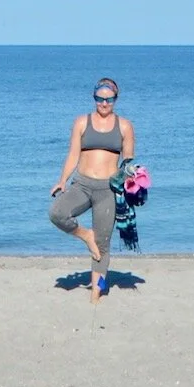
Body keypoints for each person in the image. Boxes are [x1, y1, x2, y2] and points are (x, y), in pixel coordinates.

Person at [50, 77, 137, 302]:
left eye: (109, 99)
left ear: (115, 99)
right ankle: (85, 235)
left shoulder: (125, 126)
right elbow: (73, 154)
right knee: (57, 213)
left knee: (103, 243)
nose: (104, 103)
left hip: (108, 189)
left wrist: (131, 175)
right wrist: (62, 179)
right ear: (94, 98)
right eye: (100, 99)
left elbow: (128, 158)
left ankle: (97, 290)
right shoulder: (81, 122)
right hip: (82, 184)